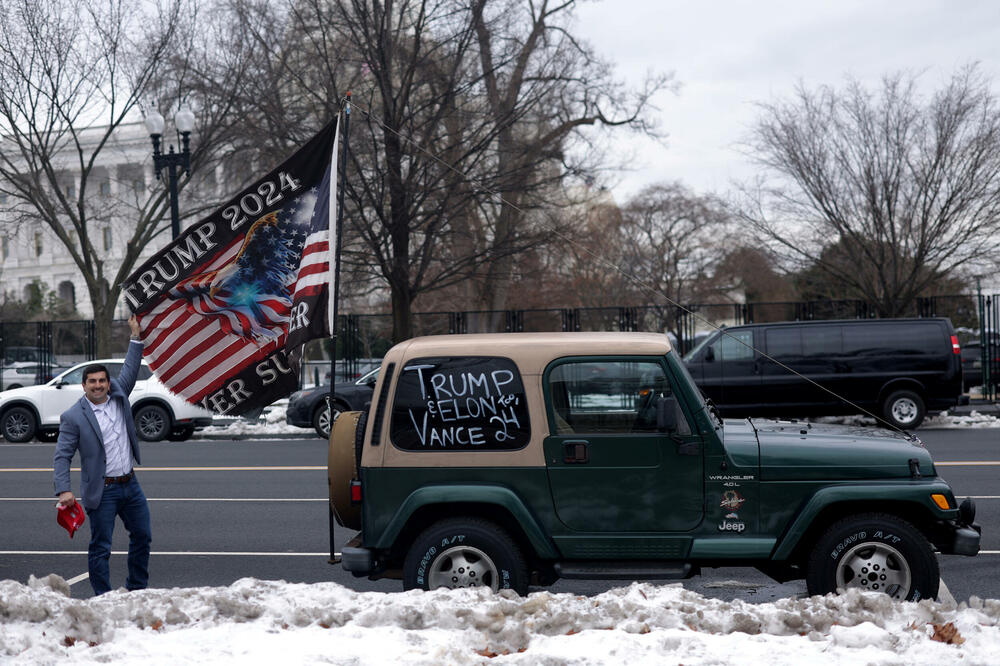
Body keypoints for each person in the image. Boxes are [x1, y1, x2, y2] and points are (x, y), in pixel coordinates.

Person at [53, 315, 151, 596]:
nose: (97, 385)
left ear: (109, 384)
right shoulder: (73, 417)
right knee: (101, 546)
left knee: (143, 536)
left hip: (130, 485)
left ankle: (137, 589)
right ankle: (103, 598)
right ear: (83, 385)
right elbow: (62, 456)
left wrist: (136, 336)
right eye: (92, 381)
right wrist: (63, 490)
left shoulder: (119, 396)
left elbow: (131, 369)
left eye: (102, 381)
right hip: (103, 490)